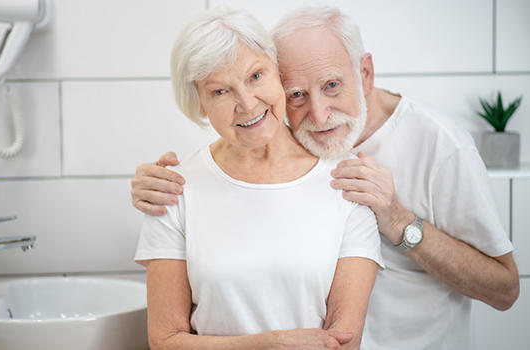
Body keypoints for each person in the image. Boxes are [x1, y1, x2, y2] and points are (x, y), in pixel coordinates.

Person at [131, 6, 520, 350]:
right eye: (297, 93)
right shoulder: (279, 133)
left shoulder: (439, 147)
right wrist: (160, 182)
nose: (317, 115)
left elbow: (505, 289)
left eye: (332, 85)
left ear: (365, 73)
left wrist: (399, 220)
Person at [134, 7, 384, 350]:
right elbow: (164, 341)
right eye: (221, 91)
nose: (248, 104)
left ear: (278, 73)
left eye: (256, 76)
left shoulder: (346, 184)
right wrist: (267, 344)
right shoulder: (173, 189)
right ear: (200, 103)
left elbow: (344, 342)